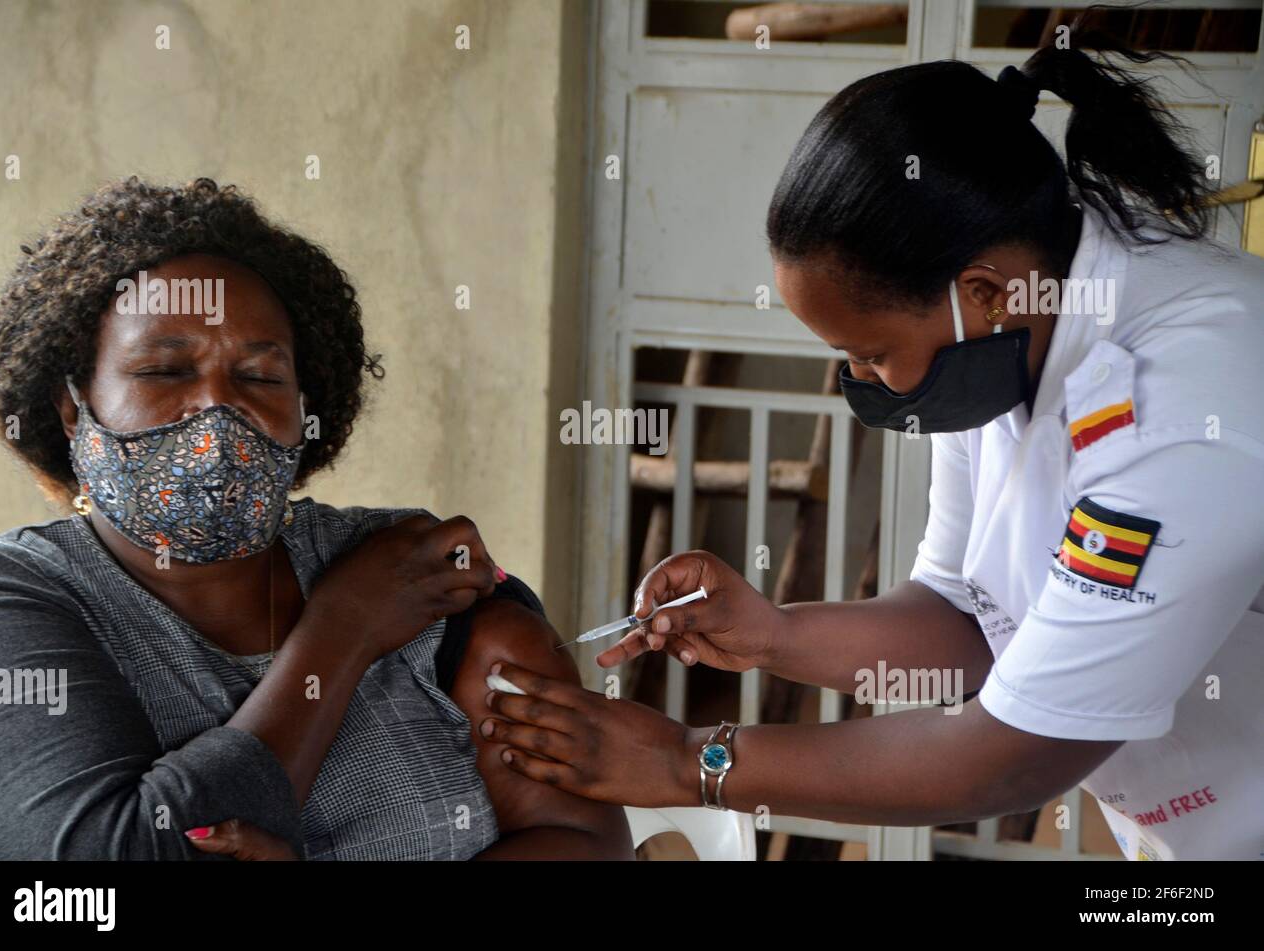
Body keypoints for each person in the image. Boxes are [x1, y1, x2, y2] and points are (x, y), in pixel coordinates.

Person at [476, 37, 1264, 860]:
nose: (863, 382)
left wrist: (689, 762)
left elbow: (1010, 756)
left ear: (984, 293)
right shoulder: (1010, 332)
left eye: (873, 354)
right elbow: (964, 617)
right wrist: (774, 632)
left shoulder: (1179, 408)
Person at [0, 176, 631, 860]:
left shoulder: (418, 568)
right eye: (164, 370)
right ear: (73, 407)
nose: (216, 409)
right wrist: (345, 627)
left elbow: (588, 844)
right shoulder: (1, 596)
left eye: (259, 378)